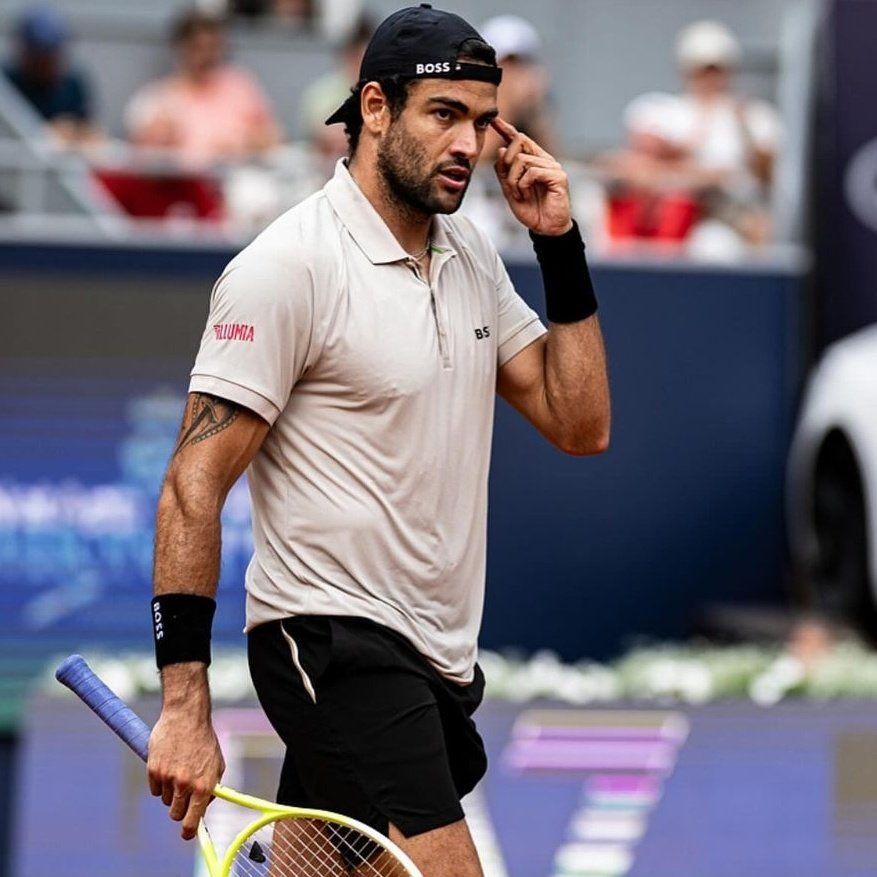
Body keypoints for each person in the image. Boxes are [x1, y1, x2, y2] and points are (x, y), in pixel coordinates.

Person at [146, 5, 609, 876]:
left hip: (434, 654)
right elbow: (190, 485)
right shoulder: (287, 268)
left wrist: (558, 245)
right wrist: (184, 702)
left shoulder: (469, 252)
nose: (468, 143)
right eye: (444, 114)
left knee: (312, 870)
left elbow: (578, 422)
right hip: (328, 637)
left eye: (481, 119)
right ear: (375, 108)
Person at [125, 11, 281, 169]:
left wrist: (243, 143)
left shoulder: (241, 86)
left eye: (213, 47)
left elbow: (272, 138)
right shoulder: (157, 99)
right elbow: (142, 158)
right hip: (184, 186)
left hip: (239, 180)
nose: (206, 56)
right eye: (197, 47)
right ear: (180, 49)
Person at [3, 7, 99, 146]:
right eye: (39, 55)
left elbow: (89, 132)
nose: (46, 63)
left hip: (63, 164)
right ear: (23, 50)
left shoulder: (72, 84)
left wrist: (68, 132)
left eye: (51, 55)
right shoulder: (6, 82)